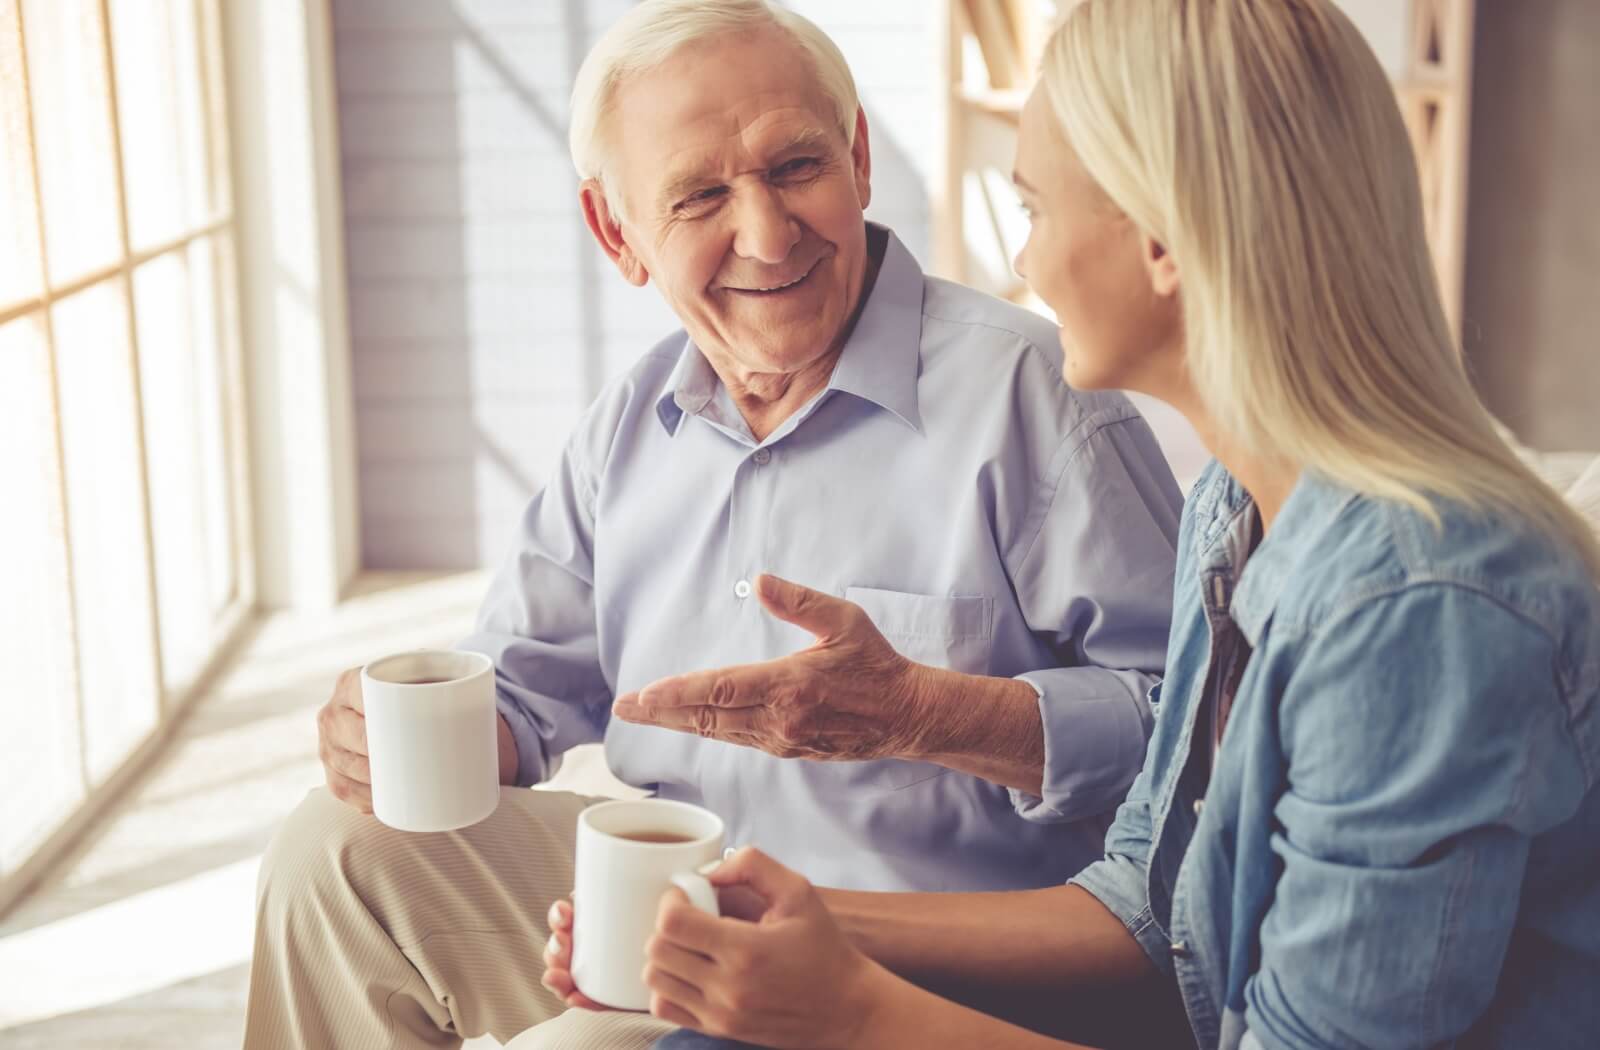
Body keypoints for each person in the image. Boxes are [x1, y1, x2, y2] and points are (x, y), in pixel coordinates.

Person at [539, 0, 1600, 1047]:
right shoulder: (1239, 511)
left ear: (1158, 242)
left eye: (1035, 210)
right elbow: (1153, 904)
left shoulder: (1415, 609)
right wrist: (773, 922)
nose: (1019, 267)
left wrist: (854, 1009)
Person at [241, 2, 1184, 1048]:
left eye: (794, 167)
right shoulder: (627, 427)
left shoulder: (1040, 395)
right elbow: (521, 690)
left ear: (858, 156)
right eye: (698, 196)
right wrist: (397, 740)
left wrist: (925, 715)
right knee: (338, 849)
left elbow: (1197, 735)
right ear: (618, 233)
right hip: (669, 902)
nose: (768, 233)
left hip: (929, 960)